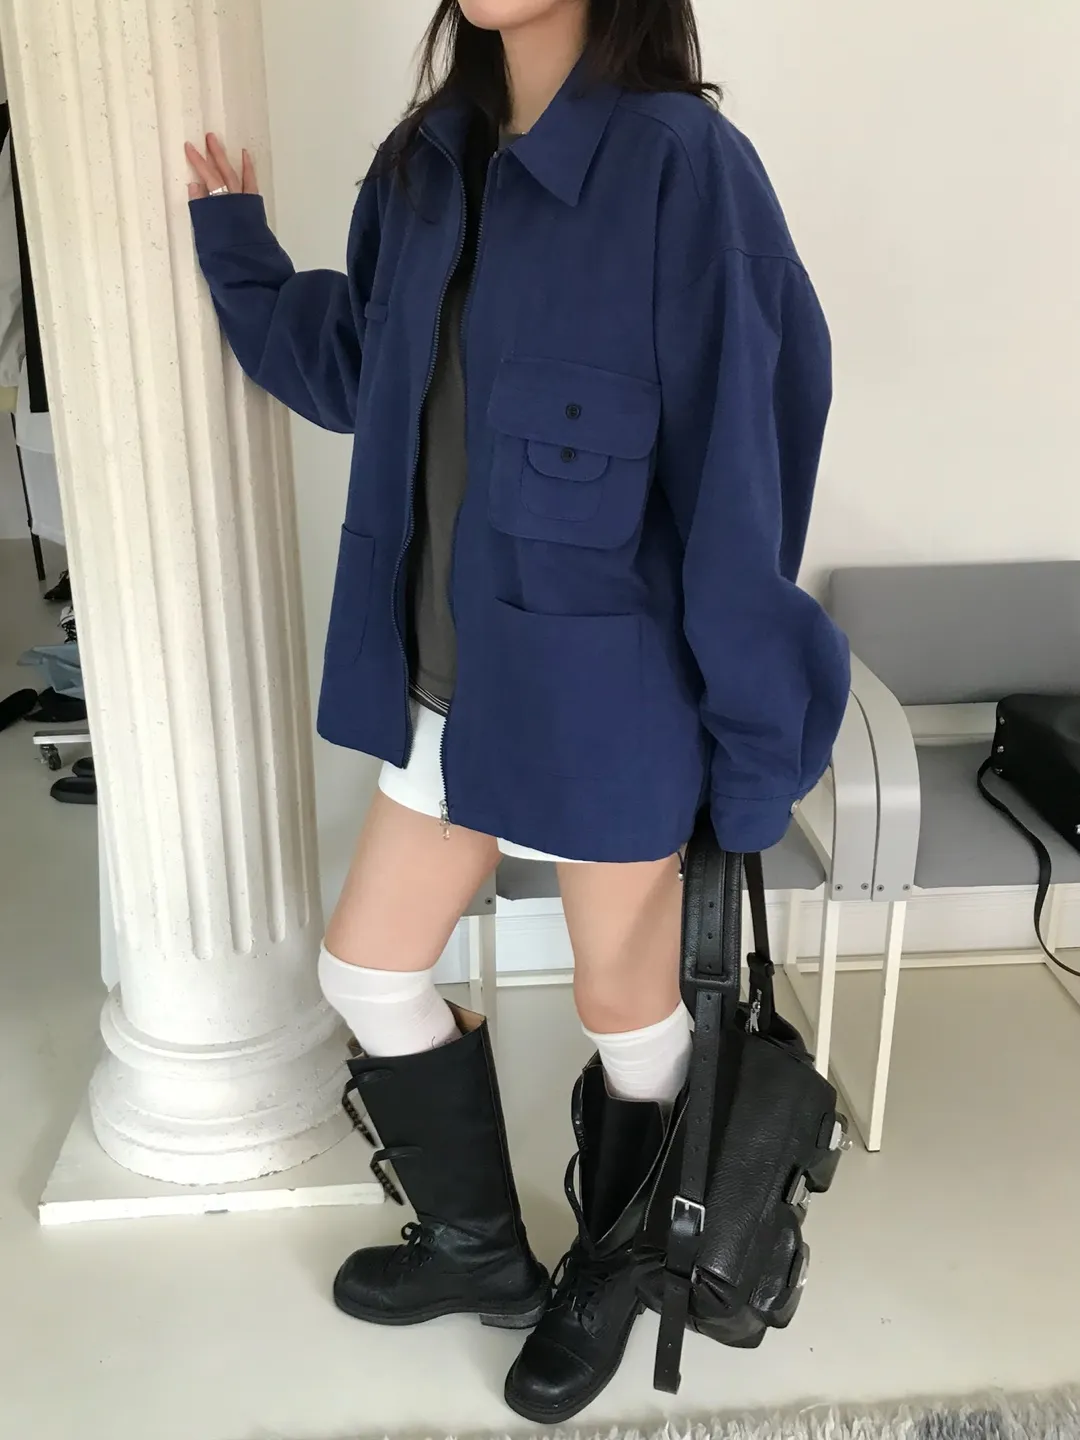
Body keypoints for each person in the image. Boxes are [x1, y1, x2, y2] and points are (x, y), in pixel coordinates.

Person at [186, 0, 849, 1422]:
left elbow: (742, 481)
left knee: (626, 1005)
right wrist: (237, 250)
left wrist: (750, 756)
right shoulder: (429, 161)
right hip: (449, 685)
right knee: (367, 970)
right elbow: (360, 367)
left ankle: (616, 1267)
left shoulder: (683, 169)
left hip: (614, 697)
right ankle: (481, 1251)